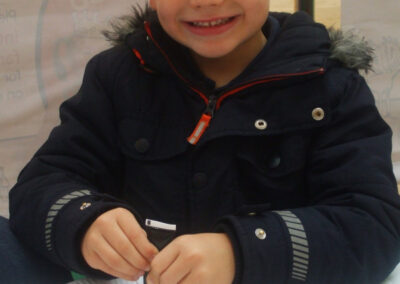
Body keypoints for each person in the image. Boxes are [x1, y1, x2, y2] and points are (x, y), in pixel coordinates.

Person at [8, 0, 400, 283]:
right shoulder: (117, 75)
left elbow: (375, 228)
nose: (205, 2)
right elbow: (41, 184)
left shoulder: (331, 86)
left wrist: (244, 251)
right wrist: (84, 221)